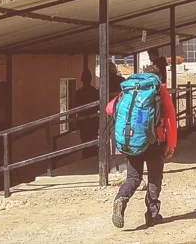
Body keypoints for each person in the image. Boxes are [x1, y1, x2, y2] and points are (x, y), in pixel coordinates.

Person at [108, 65, 177, 230]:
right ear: (158, 77)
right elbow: (170, 118)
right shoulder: (159, 90)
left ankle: (121, 198)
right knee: (154, 177)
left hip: (133, 140)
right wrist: (171, 144)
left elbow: (109, 108)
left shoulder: (131, 88)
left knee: (133, 178)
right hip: (154, 142)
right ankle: (152, 214)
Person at [72, 69, 99, 159]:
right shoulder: (95, 91)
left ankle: (86, 158)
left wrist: (75, 120)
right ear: (91, 79)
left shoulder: (79, 92)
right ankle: (92, 158)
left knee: (84, 140)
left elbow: (75, 107)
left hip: (83, 120)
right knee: (93, 139)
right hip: (93, 120)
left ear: (81, 79)